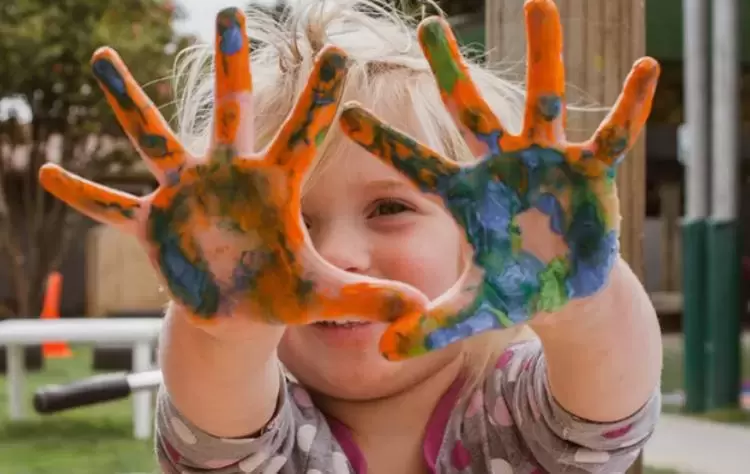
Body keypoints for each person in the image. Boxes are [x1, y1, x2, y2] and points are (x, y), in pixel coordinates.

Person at [38, 0, 663, 472]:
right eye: (286, 226)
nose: (335, 254)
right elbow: (216, 400)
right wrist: (224, 331)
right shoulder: (264, 437)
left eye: (389, 207)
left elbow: (609, 396)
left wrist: (581, 294)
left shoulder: (515, 410)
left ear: (480, 235)